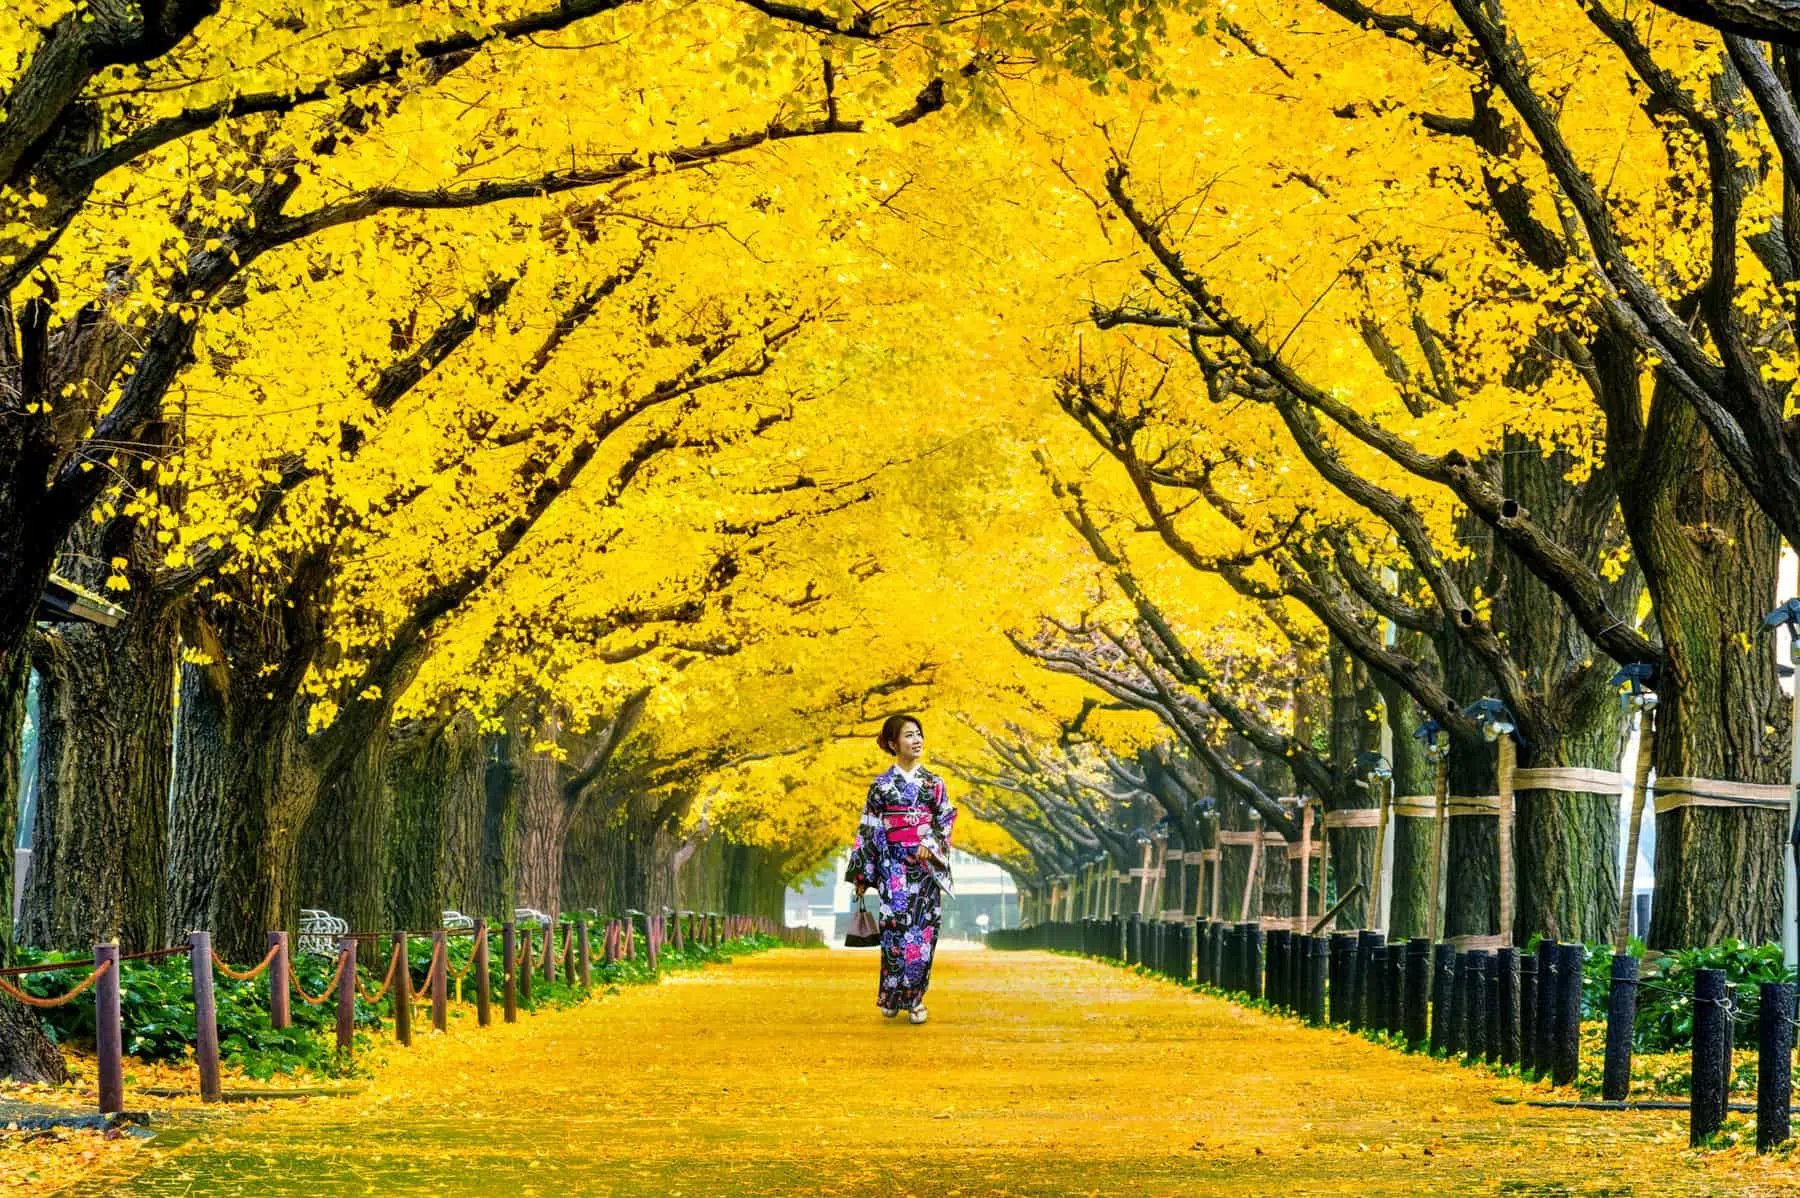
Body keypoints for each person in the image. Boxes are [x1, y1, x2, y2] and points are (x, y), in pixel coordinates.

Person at [845, 713, 956, 1024]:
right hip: (891, 865)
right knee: (895, 931)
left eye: (919, 734)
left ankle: (917, 999)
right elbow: (869, 827)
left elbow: (945, 818)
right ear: (893, 743)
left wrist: (931, 844)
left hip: (925, 869)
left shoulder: (935, 783)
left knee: (924, 934)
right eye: (909, 735)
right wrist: (862, 874)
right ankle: (892, 996)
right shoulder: (880, 786)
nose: (916, 740)